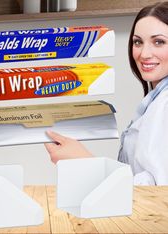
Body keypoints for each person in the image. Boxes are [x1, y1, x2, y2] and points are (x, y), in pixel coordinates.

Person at [44, 2, 168, 185]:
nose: (144, 53)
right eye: (138, 42)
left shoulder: (164, 104)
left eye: (159, 42)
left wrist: (85, 162)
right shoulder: (155, 100)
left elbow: (157, 189)